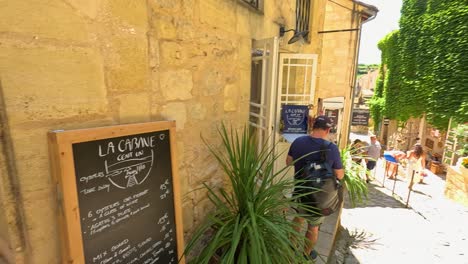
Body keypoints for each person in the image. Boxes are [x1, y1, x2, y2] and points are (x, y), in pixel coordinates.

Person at [286, 115, 344, 260]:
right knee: (313, 226)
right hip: (319, 196)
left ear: (313, 126)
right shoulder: (331, 148)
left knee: (298, 219)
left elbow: (288, 162)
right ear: (328, 130)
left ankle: (291, 247)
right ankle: (306, 254)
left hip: (299, 189)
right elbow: (340, 175)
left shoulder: (298, 142)